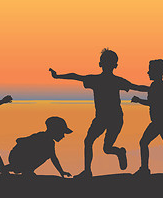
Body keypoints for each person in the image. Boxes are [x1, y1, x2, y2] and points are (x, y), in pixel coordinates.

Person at [49, 48, 148, 178]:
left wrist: (155, 89)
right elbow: (75, 76)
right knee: (90, 142)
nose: (106, 64)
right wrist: (57, 76)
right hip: (103, 119)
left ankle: (118, 152)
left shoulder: (111, 81)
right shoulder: (97, 80)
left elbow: (137, 87)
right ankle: (88, 171)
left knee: (105, 148)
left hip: (114, 119)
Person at [0, 116, 72, 178]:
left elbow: (54, 158)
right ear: (55, 131)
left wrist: (61, 172)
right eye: (62, 133)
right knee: (46, 154)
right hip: (17, 157)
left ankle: (2, 169)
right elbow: (19, 140)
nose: (63, 136)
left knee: (48, 153)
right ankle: (25, 170)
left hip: (20, 158)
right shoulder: (42, 138)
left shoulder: (49, 142)